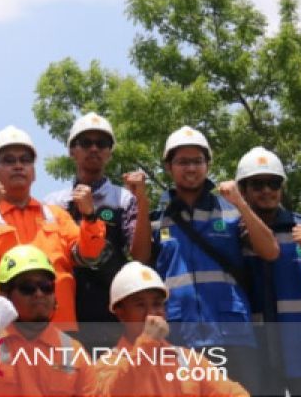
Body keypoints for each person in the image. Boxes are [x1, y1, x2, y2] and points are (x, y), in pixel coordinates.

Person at [149, 126, 279, 395]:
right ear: (168, 167)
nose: (191, 168)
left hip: (233, 335)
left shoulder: (231, 211)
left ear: (208, 165)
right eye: (183, 161)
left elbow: (270, 251)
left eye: (198, 161)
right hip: (179, 335)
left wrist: (242, 204)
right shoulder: (154, 219)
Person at [0, 125, 107, 329]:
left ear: (34, 173)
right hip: (6, 338)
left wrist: (90, 217)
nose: (18, 166)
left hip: (61, 336)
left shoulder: (57, 215)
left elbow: (91, 256)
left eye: (25, 160)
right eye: (9, 160)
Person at [43, 112, 150, 350]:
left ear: (110, 152)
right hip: (64, 317)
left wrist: (143, 200)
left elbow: (141, 256)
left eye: (101, 143)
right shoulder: (52, 203)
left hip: (111, 317)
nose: (94, 149)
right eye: (85, 143)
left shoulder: (124, 199)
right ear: (72, 151)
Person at [236, 147, 301, 397]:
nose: (267, 190)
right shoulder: (234, 232)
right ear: (243, 191)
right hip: (258, 354)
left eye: (274, 183)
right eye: (257, 184)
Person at [90, 261, 249, 397]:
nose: (151, 313)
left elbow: (231, 393)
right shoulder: (107, 365)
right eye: (140, 305)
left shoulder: (188, 360)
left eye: (157, 304)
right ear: (121, 314)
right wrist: (148, 343)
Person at [0, 245, 93, 397]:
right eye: (28, 288)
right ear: (5, 294)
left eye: (46, 287)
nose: (39, 294)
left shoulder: (74, 352)